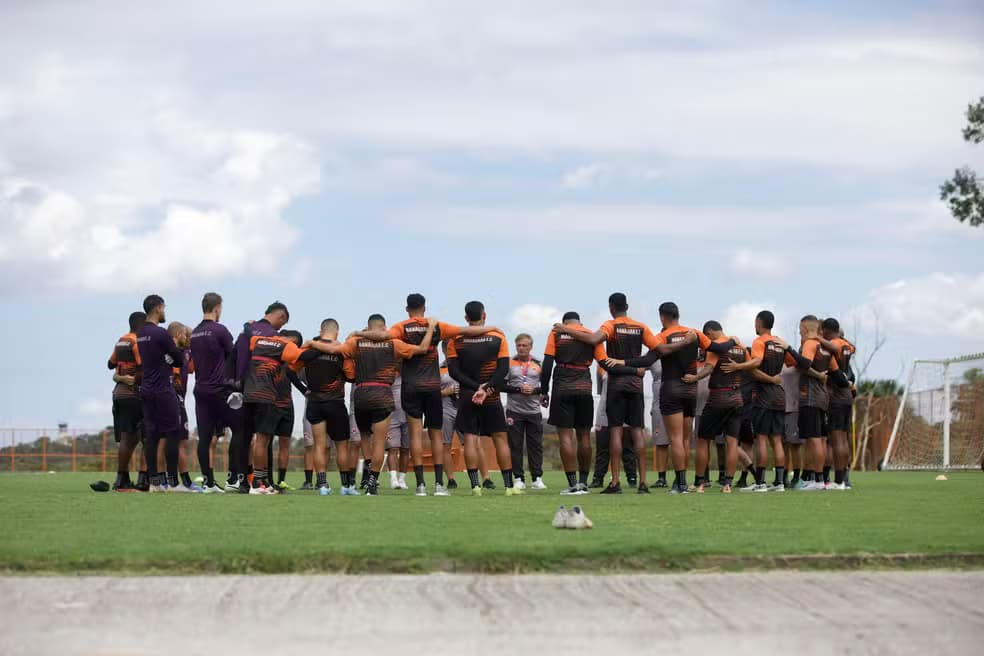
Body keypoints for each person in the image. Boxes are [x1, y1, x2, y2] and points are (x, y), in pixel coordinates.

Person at [376, 293, 499, 496]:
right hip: (433, 387)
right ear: (424, 307)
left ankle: (420, 486)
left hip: (411, 387)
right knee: (436, 435)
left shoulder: (400, 327)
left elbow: (384, 338)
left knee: (415, 435)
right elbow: (467, 330)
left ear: (407, 309)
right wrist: (493, 329)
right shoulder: (437, 325)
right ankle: (439, 485)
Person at [303, 315, 435, 496]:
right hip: (382, 394)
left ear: (368, 327)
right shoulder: (394, 343)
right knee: (380, 443)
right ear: (384, 328)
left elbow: (334, 350)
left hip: (362, 395)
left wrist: (312, 343)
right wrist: (431, 328)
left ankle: (347, 480)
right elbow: (422, 349)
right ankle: (372, 484)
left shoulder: (356, 343)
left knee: (364, 439)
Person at [554, 293, 667, 494]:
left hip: (616, 384)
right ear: (628, 306)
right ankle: (643, 483)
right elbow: (657, 352)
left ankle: (615, 483)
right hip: (635, 385)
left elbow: (593, 339)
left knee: (615, 431)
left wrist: (565, 329)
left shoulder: (610, 325)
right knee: (637, 431)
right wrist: (635, 365)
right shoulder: (641, 327)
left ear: (611, 307)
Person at [447, 301, 516, 496]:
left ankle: (476, 486)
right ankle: (509, 487)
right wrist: (487, 388)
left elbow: (453, 370)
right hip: (491, 394)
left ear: (466, 318)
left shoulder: (456, 338)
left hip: (468, 394)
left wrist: (474, 387)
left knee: (470, 438)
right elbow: (503, 369)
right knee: (500, 439)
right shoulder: (497, 336)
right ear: (484, 315)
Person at [721, 310, 793, 493]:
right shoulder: (779, 342)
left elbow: (755, 363)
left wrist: (738, 366)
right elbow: (792, 362)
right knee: (777, 440)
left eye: (755, 322)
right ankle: (779, 483)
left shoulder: (759, 341)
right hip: (779, 395)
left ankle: (760, 483)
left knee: (761, 438)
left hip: (764, 396)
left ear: (759, 323)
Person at [541, 312, 606, 495]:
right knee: (584, 437)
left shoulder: (557, 333)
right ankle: (584, 483)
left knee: (566, 437)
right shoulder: (591, 334)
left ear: (564, 322)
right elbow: (603, 362)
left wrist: (543, 390)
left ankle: (573, 484)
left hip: (562, 387)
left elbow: (547, 362)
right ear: (580, 322)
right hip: (585, 387)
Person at [781, 316, 850, 491]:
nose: (799, 333)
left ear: (805, 328)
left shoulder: (810, 344)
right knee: (819, 439)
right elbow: (838, 374)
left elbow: (805, 364)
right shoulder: (826, 348)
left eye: (800, 329)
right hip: (823, 398)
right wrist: (849, 383)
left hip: (810, 397)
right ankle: (827, 480)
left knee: (814, 440)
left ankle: (818, 481)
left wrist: (788, 349)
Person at [230, 302, 290, 492]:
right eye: (282, 322)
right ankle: (262, 481)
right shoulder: (274, 336)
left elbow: (234, 358)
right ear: (280, 317)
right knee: (264, 439)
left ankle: (241, 481)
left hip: (242, 390)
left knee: (243, 437)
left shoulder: (244, 333)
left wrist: (236, 383)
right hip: (264, 391)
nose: (280, 327)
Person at [292, 318, 354, 494]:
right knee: (342, 446)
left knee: (319, 445)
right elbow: (351, 376)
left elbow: (290, 370)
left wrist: (304, 390)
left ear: (321, 330)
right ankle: (345, 486)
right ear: (337, 332)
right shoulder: (342, 351)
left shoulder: (309, 349)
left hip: (314, 402)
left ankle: (323, 485)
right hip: (335, 402)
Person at [685, 321, 747, 493]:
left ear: (710, 333)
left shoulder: (716, 346)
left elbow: (709, 369)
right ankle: (727, 484)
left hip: (718, 398)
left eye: (707, 337)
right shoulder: (740, 346)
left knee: (703, 440)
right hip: (737, 398)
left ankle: (700, 483)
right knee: (732, 442)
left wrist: (694, 378)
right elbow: (753, 364)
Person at [135, 294, 187, 492]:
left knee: (152, 436)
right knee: (173, 433)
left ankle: (154, 483)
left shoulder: (141, 333)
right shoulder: (161, 333)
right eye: (163, 308)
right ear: (157, 308)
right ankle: (173, 484)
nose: (164, 312)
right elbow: (178, 359)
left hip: (147, 390)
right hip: (164, 390)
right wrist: (174, 354)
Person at [242, 328, 303, 495]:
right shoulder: (273, 348)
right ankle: (255, 483)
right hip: (264, 398)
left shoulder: (276, 354)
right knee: (260, 440)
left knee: (265, 440)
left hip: (266, 399)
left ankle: (262, 482)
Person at [189, 292, 238, 494]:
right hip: (219, 390)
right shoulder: (220, 330)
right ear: (217, 308)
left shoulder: (194, 333)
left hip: (200, 390)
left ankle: (208, 482)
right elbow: (232, 356)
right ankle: (234, 478)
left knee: (205, 437)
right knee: (240, 429)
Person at [108, 311, 146, 492]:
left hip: (119, 395)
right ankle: (142, 480)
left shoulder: (121, 340)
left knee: (126, 438)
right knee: (147, 437)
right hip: (134, 394)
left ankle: (121, 479)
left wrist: (120, 376)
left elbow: (110, 364)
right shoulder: (136, 341)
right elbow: (142, 367)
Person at [504, 333, 545, 490]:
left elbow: (545, 387)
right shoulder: (508, 363)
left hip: (534, 411)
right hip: (514, 411)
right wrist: (518, 388)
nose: (521, 348)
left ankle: (537, 478)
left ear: (531, 347)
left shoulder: (538, 364)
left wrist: (534, 390)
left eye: (524, 345)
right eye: (519, 345)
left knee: (535, 445)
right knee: (515, 445)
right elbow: (501, 385)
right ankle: (518, 478)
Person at [818, 318, 856, 489]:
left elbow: (832, 347)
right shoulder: (847, 345)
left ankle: (839, 481)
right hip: (847, 396)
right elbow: (850, 347)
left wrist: (815, 337)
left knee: (836, 440)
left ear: (825, 330)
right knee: (843, 440)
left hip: (837, 396)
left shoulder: (834, 344)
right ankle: (844, 479)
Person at [590, 370, 638, 489]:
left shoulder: (631, 363)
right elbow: (601, 390)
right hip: (605, 407)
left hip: (625, 408)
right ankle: (598, 478)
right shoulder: (602, 365)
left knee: (627, 446)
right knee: (602, 445)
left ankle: (632, 477)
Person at [167, 322, 200, 492]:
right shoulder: (172, 353)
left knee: (181, 441)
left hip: (180, 398)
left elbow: (193, 368)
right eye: (186, 336)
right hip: (172, 398)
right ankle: (171, 480)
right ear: (179, 335)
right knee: (171, 441)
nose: (189, 339)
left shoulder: (187, 353)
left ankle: (182, 480)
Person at [274, 329, 308, 491]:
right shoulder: (270, 351)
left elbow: (295, 379)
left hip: (287, 404)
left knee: (285, 443)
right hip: (269, 403)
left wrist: (306, 392)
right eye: (289, 343)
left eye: (294, 345)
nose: (290, 346)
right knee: (263, 442)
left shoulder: (293, 363)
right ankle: (262, 479)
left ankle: (281, 480)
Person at [780, 363, 804, 488]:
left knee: (795, 445)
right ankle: (782, 477)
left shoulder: (798, 366)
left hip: (793, 408)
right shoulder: (777, 365)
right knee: (782, 444)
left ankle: (796, 477)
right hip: (778, 408)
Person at [439, 345, 460, 489]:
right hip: (445, 409)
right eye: (449, 350)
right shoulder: (438, 369)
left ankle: (484, 479)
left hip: (464, 409)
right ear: (444, 351)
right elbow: (431, 391)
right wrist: (445, 391)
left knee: (473, 443)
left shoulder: (466, 366)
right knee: (445, 445)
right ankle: (451, 479)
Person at [386, 373, 411, 490]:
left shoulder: (408, 376)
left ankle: (402, 479)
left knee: (405, 449)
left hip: (408, 416)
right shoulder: (387, 376)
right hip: (391, 417)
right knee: (393, 448)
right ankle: (393, 479)